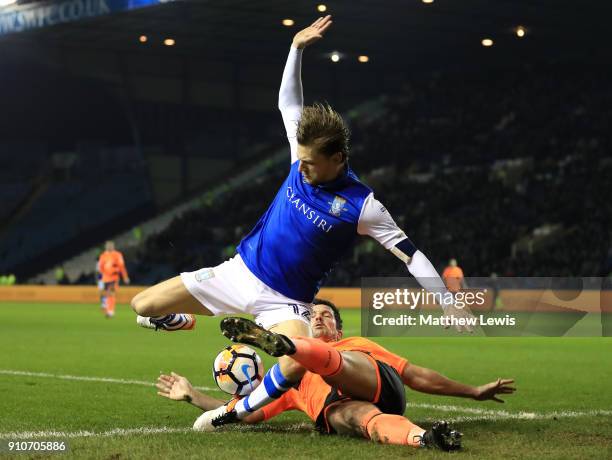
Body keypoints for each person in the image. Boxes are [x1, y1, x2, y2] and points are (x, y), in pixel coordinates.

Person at [133, 15, 474, 428]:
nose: (303, 168)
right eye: (302, 159)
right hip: (238, 272)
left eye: (312, 164)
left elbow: (412, 257)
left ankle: (233, 413)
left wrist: (448, 303)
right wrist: (295, 48)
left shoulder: (362, 205)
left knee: (299, 358)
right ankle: (181, 320)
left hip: (286, 300)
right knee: (142, 305)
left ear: (338, 159)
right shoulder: (303, 155)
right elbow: (288, 104)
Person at [157, 300, 514, 451]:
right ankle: (426, 440)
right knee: (357, 418)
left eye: (326, 316)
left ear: (338, 327)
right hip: (344, 408)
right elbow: (243, 410)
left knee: (334, 361)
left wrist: (473, 391)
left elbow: (416, 376)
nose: (318, 318)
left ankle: (293, 346)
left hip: (372, 379)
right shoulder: (290, 385)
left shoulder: (356, 342)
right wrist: (191, 396)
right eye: (311, 314)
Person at [98, 241, 130, 318]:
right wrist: (101, 277)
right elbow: (100, 268)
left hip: (114, 278)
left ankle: (110, 311)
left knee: (111, 293)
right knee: (107, 294)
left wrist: (125, 277)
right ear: (106, 246)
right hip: (105, 278)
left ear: (113, 246)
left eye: (110, 245)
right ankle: (107, 308)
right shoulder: (103, 256)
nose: (109, 247)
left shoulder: (117, 255)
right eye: (108, 246)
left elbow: (122, 267)